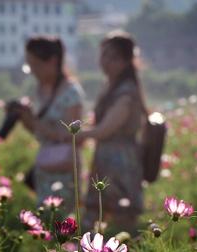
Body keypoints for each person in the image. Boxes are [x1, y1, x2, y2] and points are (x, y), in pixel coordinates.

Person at [75, 32, 148, 234]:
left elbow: (107, 129)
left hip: (121, 161)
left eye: (112, 57)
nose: (105, 62)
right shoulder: (111, 86)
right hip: (105, 157)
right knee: (97, 214)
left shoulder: (126, 91)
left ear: (126, 61)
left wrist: (78, 135)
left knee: (121, 218)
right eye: (103, 56)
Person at [12, 36, 84, 214]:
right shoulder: (40, 89)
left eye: (35, 65)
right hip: (44, 168)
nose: (32, 71)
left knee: (63, 223)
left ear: (52, 61)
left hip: (64, 169)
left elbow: (71, 136)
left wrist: (36, 123)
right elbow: (40, 133)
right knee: (44, 221)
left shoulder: (71, 93)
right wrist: (26, 119)